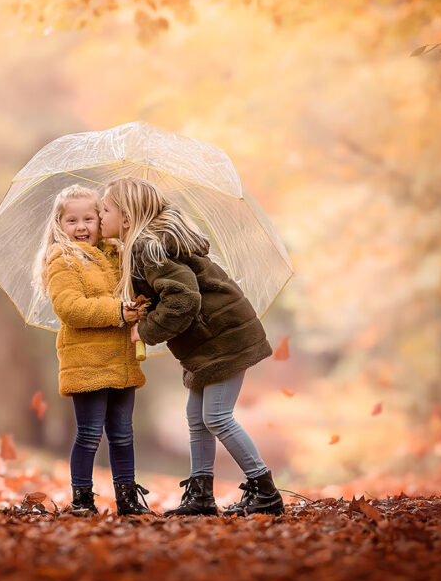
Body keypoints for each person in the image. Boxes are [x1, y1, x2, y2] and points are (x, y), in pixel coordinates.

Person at [100, 176, 284, 517]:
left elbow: (184, 298)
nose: (99, 215)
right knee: (197, 418)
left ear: (126, 218)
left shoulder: (146, 247)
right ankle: (201, 496)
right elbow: (176, 291)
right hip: (211, 340)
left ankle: (266, 492)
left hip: (223, 338)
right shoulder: (146, 246)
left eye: (105, 209)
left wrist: (147, 329)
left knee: (216, 417)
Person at [34, 184, 151, 516]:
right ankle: (82, 499)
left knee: (123, 434)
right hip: (86, 360)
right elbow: (71, 308)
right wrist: (117, 311)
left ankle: (127, 498)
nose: (81, 227)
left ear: (102, 220)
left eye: (89, 218)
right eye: (72, 220)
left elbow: (131, 293)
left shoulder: (119, 255)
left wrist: (137, 306)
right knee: (88, 434)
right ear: (60, 225)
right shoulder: (63, 259)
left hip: (122, 359)